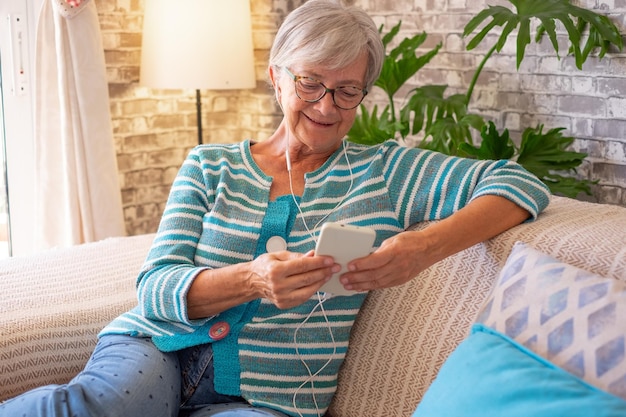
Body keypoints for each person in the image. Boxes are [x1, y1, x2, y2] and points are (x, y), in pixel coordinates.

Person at [0, 1, 551, 416]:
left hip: (271, 396)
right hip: (156, 346)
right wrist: (252, 280)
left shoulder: (386, 171)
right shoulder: (209, 165)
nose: (326, 106)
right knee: (98, 404)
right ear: (277, 78)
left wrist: (424, 247)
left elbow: (517, 182)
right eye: (311, 84)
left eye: (347, 91)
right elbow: (155, 286)